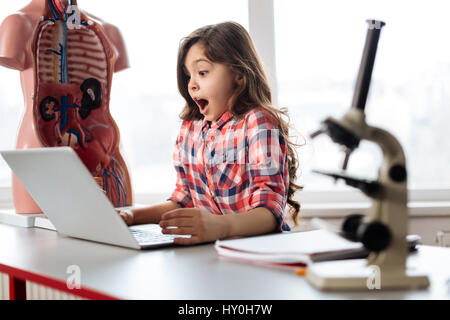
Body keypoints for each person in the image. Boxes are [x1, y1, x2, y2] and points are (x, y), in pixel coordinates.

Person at [118, 21, 302, 245]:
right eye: (188, 76)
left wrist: (222, 226)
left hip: (260, 253)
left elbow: (270, 211)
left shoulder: (258, 123)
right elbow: (183, 198)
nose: (192, 85)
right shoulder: (190, 129)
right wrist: (130, 216)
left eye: (202, 72)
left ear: (239, 74)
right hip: (210, 255)